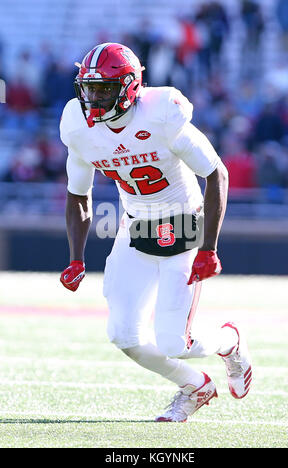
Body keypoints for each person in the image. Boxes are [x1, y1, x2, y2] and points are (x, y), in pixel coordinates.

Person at [59, 43, 252, 422]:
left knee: (174, 342)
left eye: (104, 89)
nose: (94, 98)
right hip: (134, 228)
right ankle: (194, 386)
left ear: (130, 87)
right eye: (89, 88)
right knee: (123, 335)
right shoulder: (77, 126)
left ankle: (229, 341)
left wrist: (208, 248)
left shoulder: (161, 112)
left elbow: (216, 174)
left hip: (182, 225)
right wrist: (76, 257)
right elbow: (78, 194)